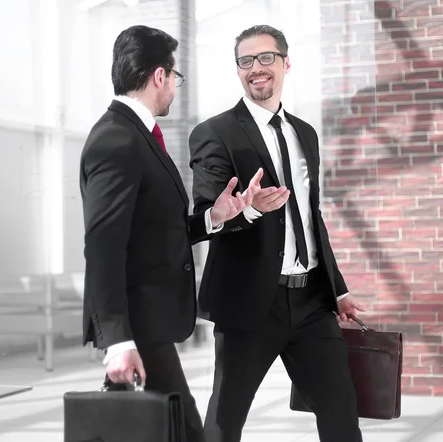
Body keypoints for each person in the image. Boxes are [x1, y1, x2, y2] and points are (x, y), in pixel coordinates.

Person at [79, 25, 262, 442]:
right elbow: (103, 247)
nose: (175, 88)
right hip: (138, 327)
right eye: (174, 77)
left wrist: (214, 217)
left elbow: (157, 231)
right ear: (159, 76)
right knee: (187, 431)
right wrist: (117, 341)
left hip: (151, 324)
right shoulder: (116, 139)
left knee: (174, 431)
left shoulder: (138, 137)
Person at [188, 24, 365, 442]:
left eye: (265, 58)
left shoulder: (305, 133)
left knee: (342, 415)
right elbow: (207, 214)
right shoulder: (215, 133)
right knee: (225, 422)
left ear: (286, 63)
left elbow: (310, 216)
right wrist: (242, 211)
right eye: (245, 61)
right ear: (238, 71)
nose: (256, 69)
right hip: (250, 304)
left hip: (311, 303)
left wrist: (336, 289)